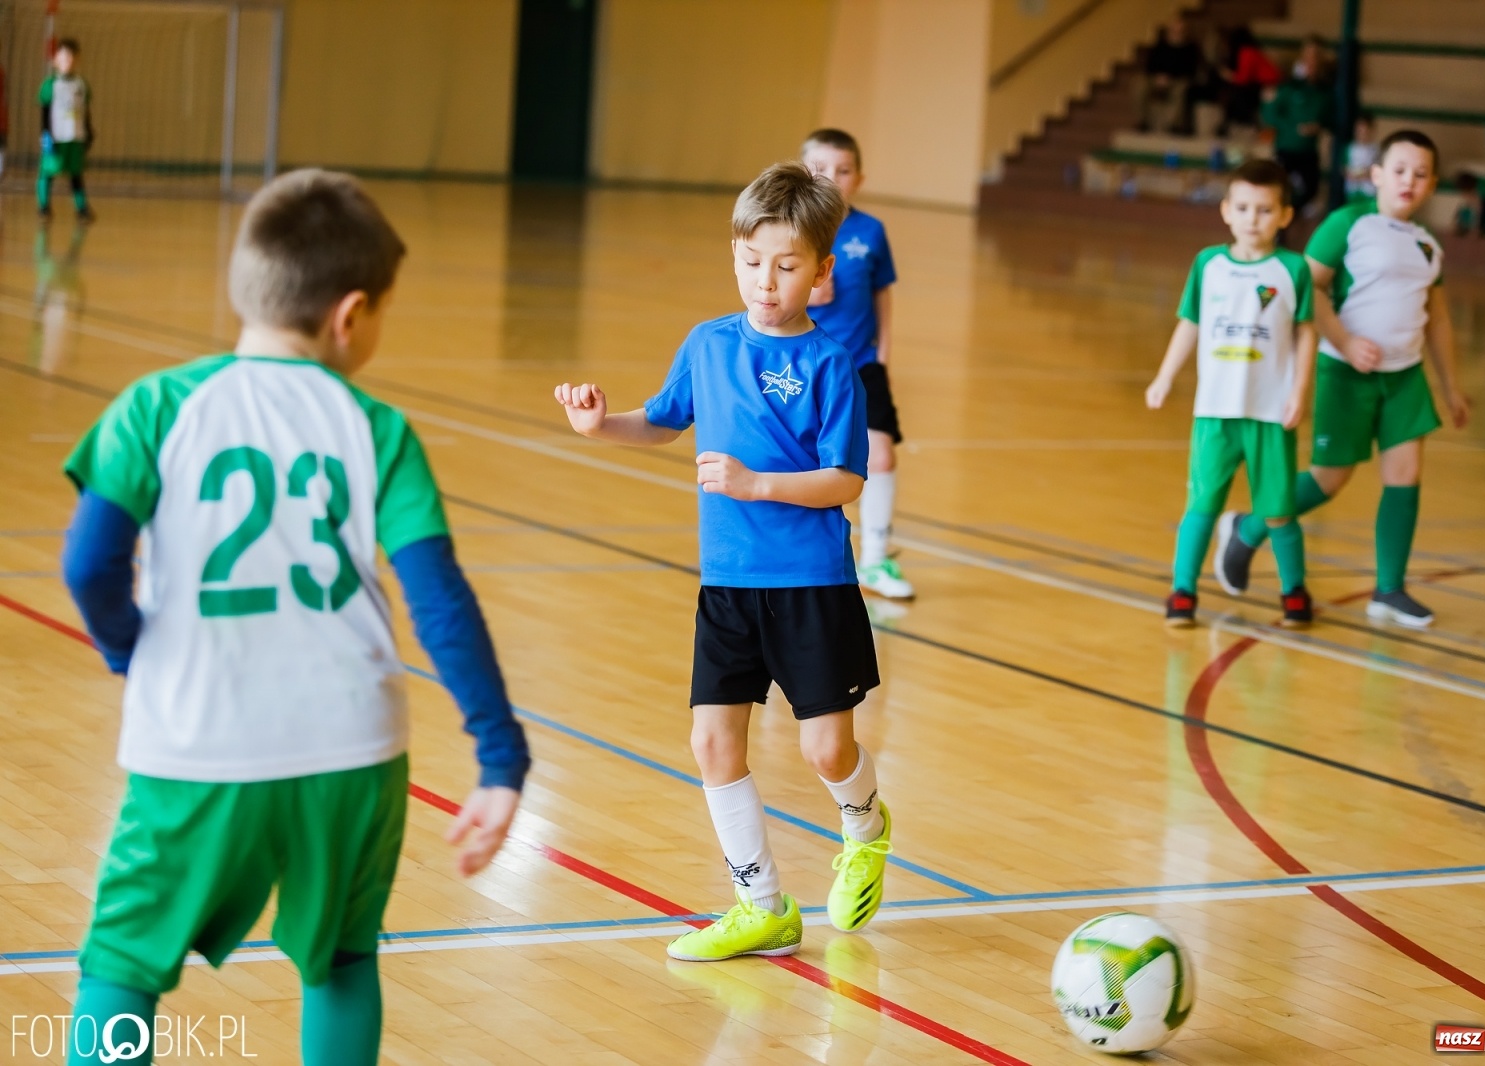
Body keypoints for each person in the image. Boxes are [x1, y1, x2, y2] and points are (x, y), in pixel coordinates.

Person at [58, 169, 530, 1066]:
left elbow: (88, 565)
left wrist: (130, 649)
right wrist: (501, 753)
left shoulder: (156, 406)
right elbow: (440, 602)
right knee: (342, 960)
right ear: (351, 315)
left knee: (121, 964)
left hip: (195, 744)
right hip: (352, 750)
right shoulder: (377, 428)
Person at [553, 162, 893, 962]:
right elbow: (663, 421)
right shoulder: (708, 344)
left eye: (785, 266)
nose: (764, 282)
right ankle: (762, 906)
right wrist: (602, 426)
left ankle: (865, 821)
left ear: (821, 274)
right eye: (750, 262)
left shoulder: (830, 365)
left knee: (825, 752)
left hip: (812, 587)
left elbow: (845, 478)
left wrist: (757, 483)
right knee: (712, 746)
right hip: (728, 587)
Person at [1214, 131, 1471, 628]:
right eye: (1399, 170)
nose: (1408, 181)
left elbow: (1437, 320)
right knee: (1330, 479)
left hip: (1404, 378)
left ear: (1432, 185)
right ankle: (1247, 527)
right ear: (1375, 175)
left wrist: (1452, 386)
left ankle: (1389, 590)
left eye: (1420, 174)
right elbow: (1307, 287)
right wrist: (1347, 341)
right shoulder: (1348, 224)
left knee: (1405, 476)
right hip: (1344, 373)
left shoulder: (1427, 246)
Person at [1145, 159, 1317, 628]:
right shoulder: (1208, 265)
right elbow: (1190, 323)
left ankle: (1293, 591)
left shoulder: (1292, 269)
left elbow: (1306, 334)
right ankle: (1182, 592)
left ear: (1284, 216)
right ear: (1225, 211)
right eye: (1243, 208)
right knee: (1201, 506)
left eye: (1264, 210)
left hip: (1269, 413)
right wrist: (1164, 376)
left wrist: (1300, 390)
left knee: (1279, 512)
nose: (1252, 219)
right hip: (1215, 414)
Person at [801, 128, 913, 600]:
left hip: (861, 365)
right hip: (806, 366)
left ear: (859, 178)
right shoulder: (793, 230)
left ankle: (874, 560)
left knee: (881, 454)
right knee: (808, 462)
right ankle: (808, 558)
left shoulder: (871, 232)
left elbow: (882, 294)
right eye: (820, 168)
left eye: (843, 170)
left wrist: (883, 353)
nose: (832, 178)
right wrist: (808, 292)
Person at [1262, 37, 1334, 212]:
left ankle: (1290, 215)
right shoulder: (1288, 87)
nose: (1312, 61)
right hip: (1287, 149)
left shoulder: (1326, 91)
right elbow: (1269, 115)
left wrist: (1318, 127)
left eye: (1316, 56)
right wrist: (1294, 127)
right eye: (1309, 55)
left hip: (1309, 151)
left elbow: (1330, 119)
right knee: (1280, 188)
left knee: (1311, 189)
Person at [38, 37, 94, 222]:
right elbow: (45, 112)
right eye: (63, 58)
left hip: (75, 136)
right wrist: (46, 134)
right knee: (48, 172)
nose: (67, 62)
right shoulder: (50, 85)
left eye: (70, 58)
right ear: (55, 61)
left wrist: (89, 130)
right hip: (56, 137)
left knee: (75, 174)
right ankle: (43, 207)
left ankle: (82, 208)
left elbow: (85, 111)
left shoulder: (81, 85)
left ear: (76, 60)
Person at [1136, 19, 1202, 134]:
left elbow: (1190, 70)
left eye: (1180, 30)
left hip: (1178, 80)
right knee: (1139, 84)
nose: (1176, 33)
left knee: (1181, 88)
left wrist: (1169, 77)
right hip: (1157, 79)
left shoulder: (1190, 48)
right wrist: (1158, 77)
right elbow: (1150, 65)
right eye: (1174, 30)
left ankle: (1174, 125)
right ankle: (1142, 121)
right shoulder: (1160, 45)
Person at [1220, 27, 1280, 133]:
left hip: (1270, 85)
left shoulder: (1247, 52)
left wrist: (1229, 76)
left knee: (1237, 94)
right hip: (1263, 84)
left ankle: (1236, 124)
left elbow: (1243, 80)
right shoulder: (1251, 51)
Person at [1343, 111, 1379, 201]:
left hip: (1370, 192)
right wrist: (1351, 174)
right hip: (1352, 191)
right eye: (1359, 131)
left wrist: (1365, 174)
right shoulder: (1349, 148)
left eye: (1365, 131)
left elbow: (1377, 168)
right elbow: (1344, 168)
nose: (1362, 134)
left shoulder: (1376, 149)